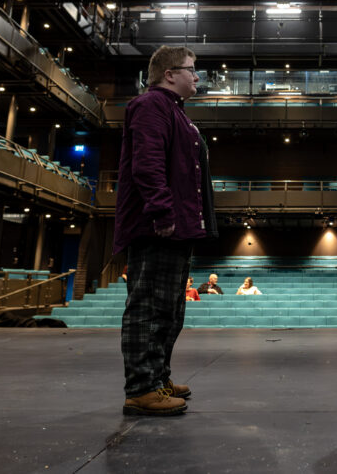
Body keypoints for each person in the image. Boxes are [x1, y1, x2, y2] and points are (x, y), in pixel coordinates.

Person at [114, 45, 218, 417]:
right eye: (192, 70)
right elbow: (147, 164)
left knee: (171, 310)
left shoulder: (175, 111)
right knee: (148, 309)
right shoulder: (150, 106)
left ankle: (157, 379)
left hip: (177, 227)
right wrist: (161, 212)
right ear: (169, 73)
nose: (196, 77)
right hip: (156, 227)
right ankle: (141, 388)